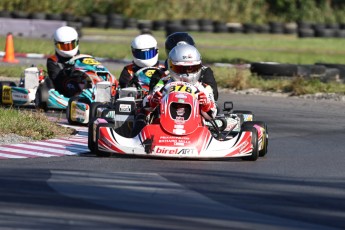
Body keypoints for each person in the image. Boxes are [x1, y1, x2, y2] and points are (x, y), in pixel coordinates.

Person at [131, 44, 217, 137]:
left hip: (195, 130)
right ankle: (135, 138)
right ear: (171, 66)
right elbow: (145, 104)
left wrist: (206, 105)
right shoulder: (163, 83)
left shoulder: (203, 88)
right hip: (161, 127)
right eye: (181, 69)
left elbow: (212, 114)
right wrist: (153, 100)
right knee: (141, 114)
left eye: (192, 68)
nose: (187, 73)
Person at [164, 32, 219, 101]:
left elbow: (214, 95)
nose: (186, 71)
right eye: (179, 68)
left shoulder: (204, 71)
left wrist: (204, 96)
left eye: (191, 68)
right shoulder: (162, 73)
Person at [46, 26, 84, 97]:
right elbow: (57, 80)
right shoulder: (53, 61)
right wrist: (71, 71)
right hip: (65, 88)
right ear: (56, 44)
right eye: (64, 46)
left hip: (84, 85)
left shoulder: (83, 58)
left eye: (70, 45)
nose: (68, 49)